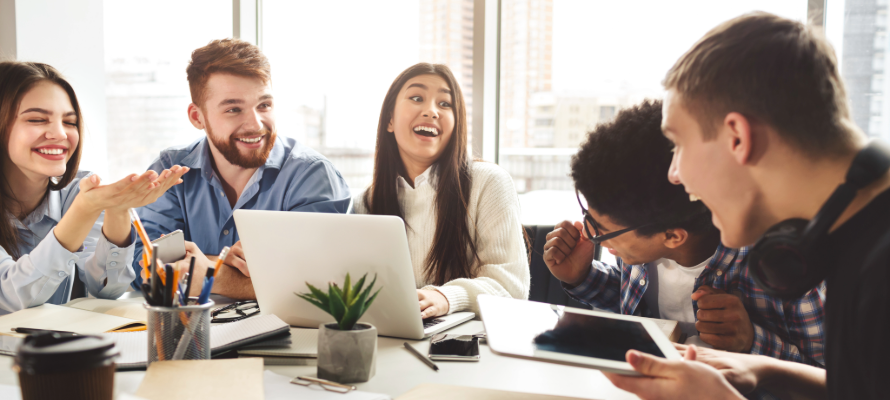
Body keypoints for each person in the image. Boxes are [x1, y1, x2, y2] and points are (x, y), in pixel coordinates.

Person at [603, 12, 890, 400]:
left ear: (737, 136)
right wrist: (765, 368)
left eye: (679, 144)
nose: (674, 174)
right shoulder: (855, 226)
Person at [543, 100, 825, 375]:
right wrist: (582, 277)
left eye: (602, 230)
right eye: (587, 216)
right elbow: (637, 306)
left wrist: (752, 342)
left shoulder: (789, 268)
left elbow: (833, 379)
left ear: (673, 237)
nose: (590, 235)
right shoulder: (646, 239)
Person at [132, 39, 351, 300]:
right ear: (197, 117)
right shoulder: (171, 170)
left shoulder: (313, 177)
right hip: (188, 332)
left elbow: (322, 283)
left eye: (264, 105)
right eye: (234, 109)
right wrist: (224, 265)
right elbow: (142, 266)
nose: (255, 124)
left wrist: (212, 274)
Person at [0, 61, 186, 314]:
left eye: (69, 122)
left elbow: (108, 289)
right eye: (36, 119)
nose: (60, 133)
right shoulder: (83, 202)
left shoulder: (79, 192)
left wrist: (118, 209)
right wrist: (83, 211)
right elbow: (10, 298)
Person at [353, 63, 529, 318]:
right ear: (390, 120)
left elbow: (511, 287)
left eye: (445, 104)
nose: (431, 111)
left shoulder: (489, 183)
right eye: (416, 98)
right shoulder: (365, 203)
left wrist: (447, 297)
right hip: (390, 342)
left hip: (469, 346)